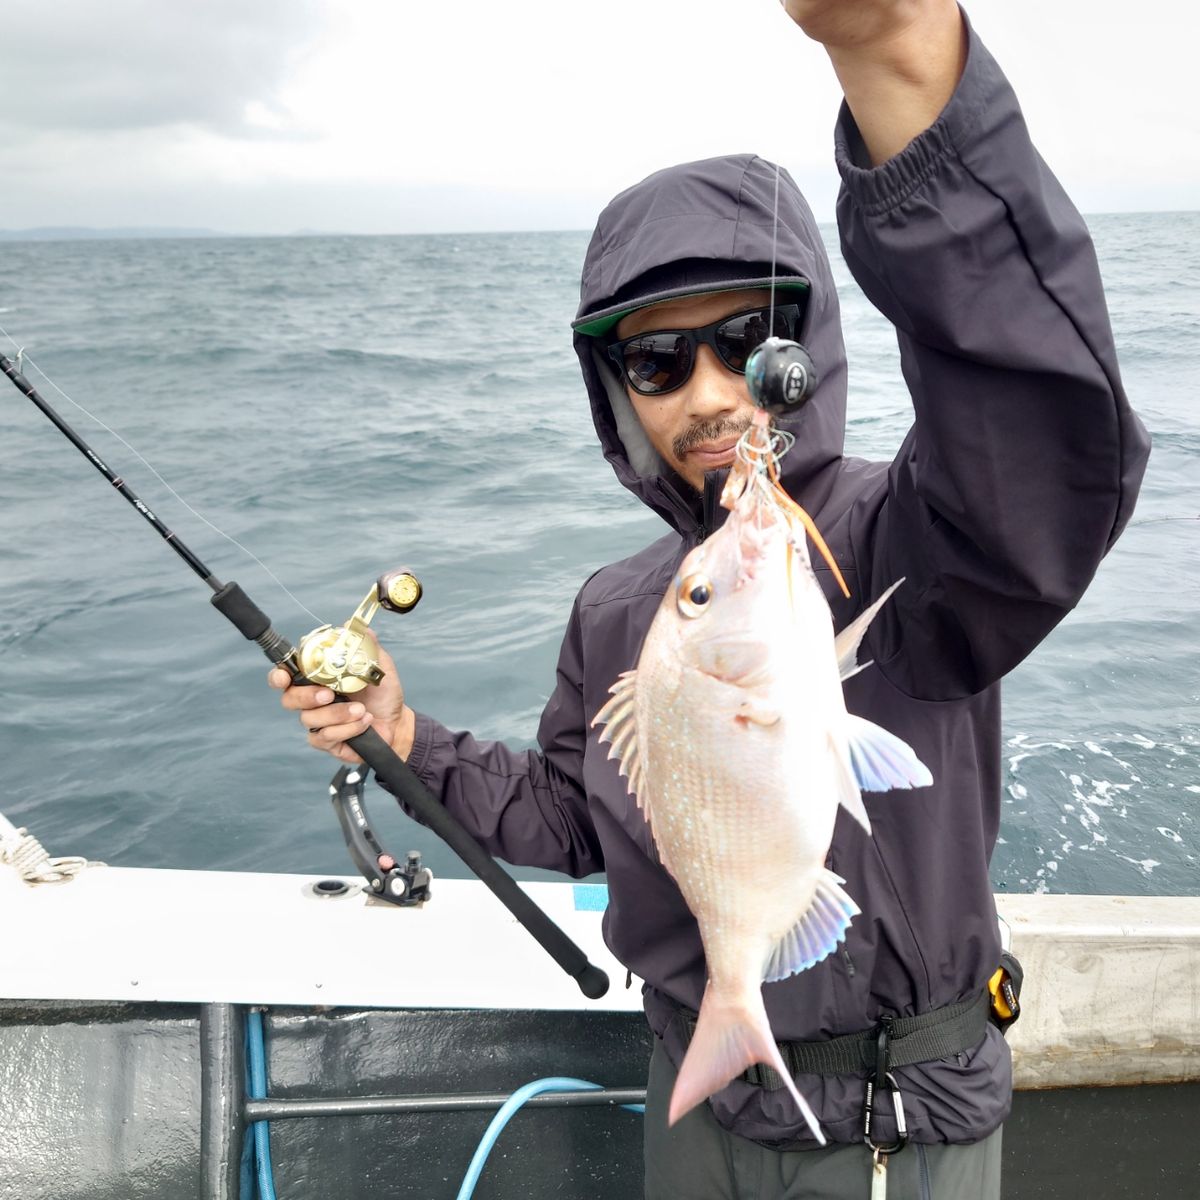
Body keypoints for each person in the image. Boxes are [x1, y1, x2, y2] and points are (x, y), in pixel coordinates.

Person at [270, 1, 1150, 1195]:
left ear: (810, 345)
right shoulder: (620, 605)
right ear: (618, 392)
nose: (709, 392)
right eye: (656, 360)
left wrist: (896, 59)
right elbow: (584, 822)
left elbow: (1041, 450)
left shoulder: (916, 536)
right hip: (698, 1101)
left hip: (904, 1123)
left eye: (747, 337)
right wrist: (405, 737)